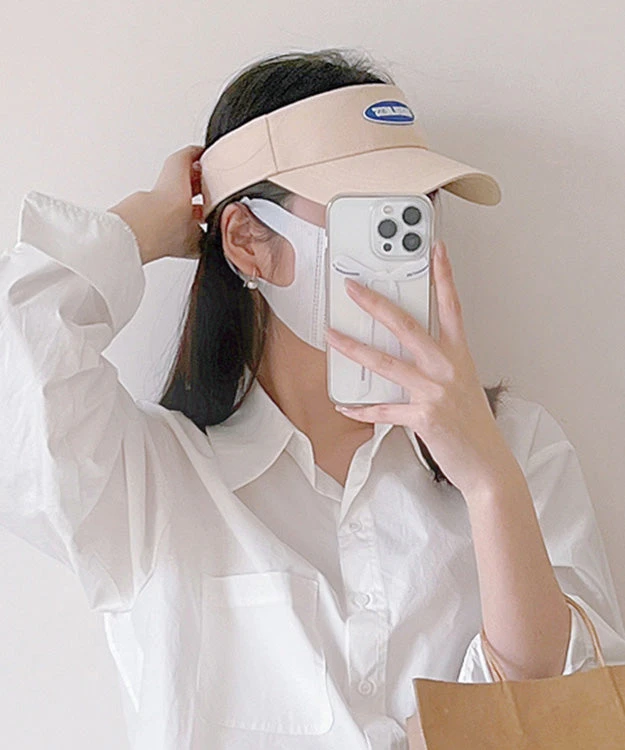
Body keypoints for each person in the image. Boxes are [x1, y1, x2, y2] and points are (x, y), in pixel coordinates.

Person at [2, 48, 625, 750]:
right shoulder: (149, 483)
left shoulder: (518, 448)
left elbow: (569, 712)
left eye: (419, 213)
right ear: (249, 241)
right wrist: (145, 223)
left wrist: (488, 484)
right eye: (374, 217)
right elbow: (19, 364)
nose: (406, 248)